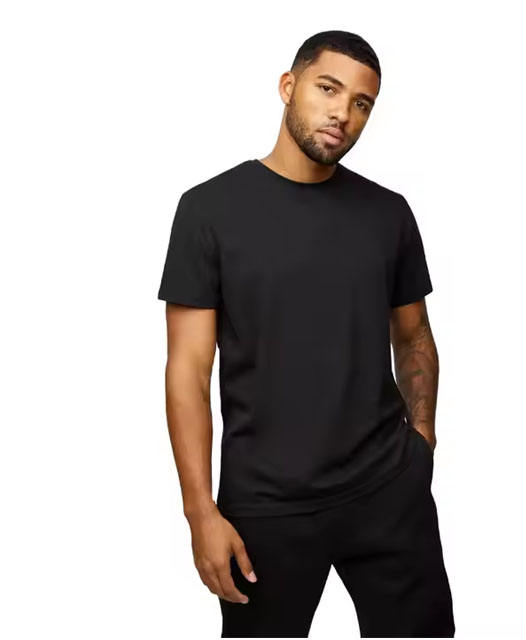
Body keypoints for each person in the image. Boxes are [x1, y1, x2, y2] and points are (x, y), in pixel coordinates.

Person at [157, 29, 455, 638]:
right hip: (266, 506)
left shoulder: (388, 213)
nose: (343, 113)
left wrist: (421, 442)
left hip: (387, 490)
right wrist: (199, 511)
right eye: (328, 89)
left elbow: (414, 336)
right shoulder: (208, 211)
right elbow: (188, 370)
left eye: (362, 102)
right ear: (288, 87)